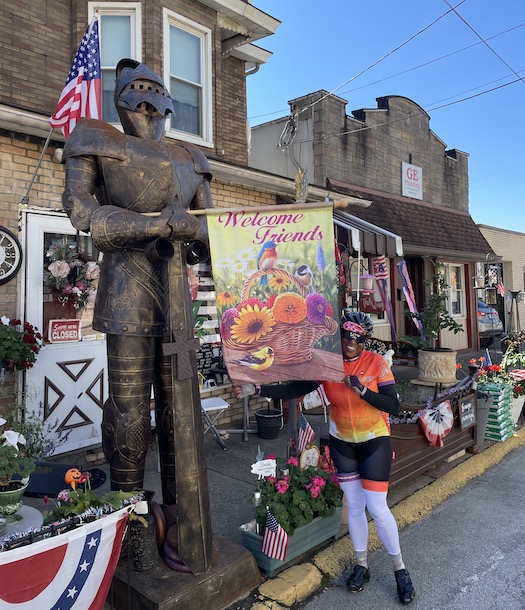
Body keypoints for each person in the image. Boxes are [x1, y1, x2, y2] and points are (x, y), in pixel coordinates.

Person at [61, 59, 213, 501]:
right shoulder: (95, 138)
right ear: (121, 96)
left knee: (179, 409)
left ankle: (181, 515)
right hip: (126, 295)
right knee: (128, 413)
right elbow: (81, 210)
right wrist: (157, 227)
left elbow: (213, 232)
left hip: (177, 303)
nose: (147, 100)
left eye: (155, 90)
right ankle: (131, 518)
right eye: (137, 89)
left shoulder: (191, 158)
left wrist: (192, 230)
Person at [234, 310, 415, 605]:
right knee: (354, 506)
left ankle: (400, 570)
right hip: (342, 441)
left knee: (378, 508)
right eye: (346, 337)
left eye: (358, 338)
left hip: (373, 440)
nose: (351, 343)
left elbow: (393, 405)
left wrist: (363, 391)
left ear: (365, 339)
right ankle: (361, 565)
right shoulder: (328, 364)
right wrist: (257, 388)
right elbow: (296, 387)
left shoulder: (376, 363)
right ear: (340, 336)